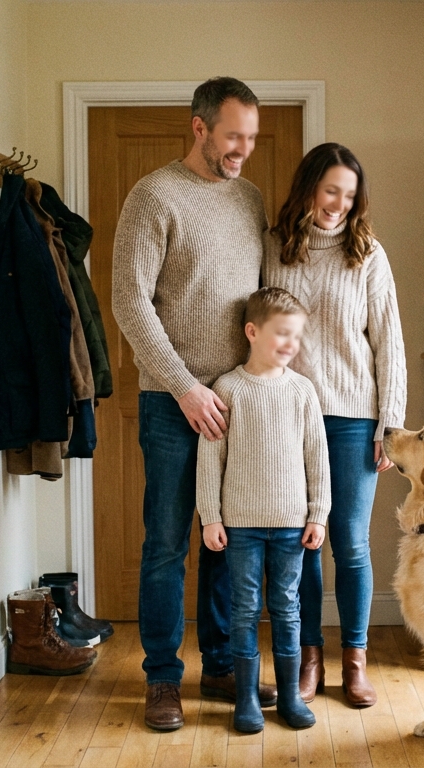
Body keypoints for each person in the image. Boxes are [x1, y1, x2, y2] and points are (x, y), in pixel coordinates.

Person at [111, 76, 269, 732]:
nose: (243, 149)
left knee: (227, 546)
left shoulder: (252, 199)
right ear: (199, 127)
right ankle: (161, 680)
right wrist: (184, 386)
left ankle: (224, 665)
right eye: (234, 135)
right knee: (168, 545)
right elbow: (128, 300)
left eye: (252, 138)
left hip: (237, 405)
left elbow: (264, 298)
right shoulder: (153, 195)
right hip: (173, 406)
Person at [263, 142, 407, 708]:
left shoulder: (368, 254)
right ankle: (307, 660)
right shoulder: (276, 248)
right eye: (330, 192)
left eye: (349, 196)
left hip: (352, 418)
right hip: (288, 415)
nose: (338, 206)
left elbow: (388, 342)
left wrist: (389, 426)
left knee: (348, 544)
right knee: (301, 544)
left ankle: (354, 660)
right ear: (309, 188)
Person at [197, 287, 328, 734]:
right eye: (282, 334)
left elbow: (317, 457)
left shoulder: (303, 391)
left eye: (296, 336)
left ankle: (290, 696)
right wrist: (209, 516)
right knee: (244, 606)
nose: (291, 345)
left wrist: (318, 513)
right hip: (241, 525)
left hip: (292, 524)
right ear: (253, 332)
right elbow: (210, 458)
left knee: (286, 607)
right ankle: (247, 699)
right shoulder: (227, 388)